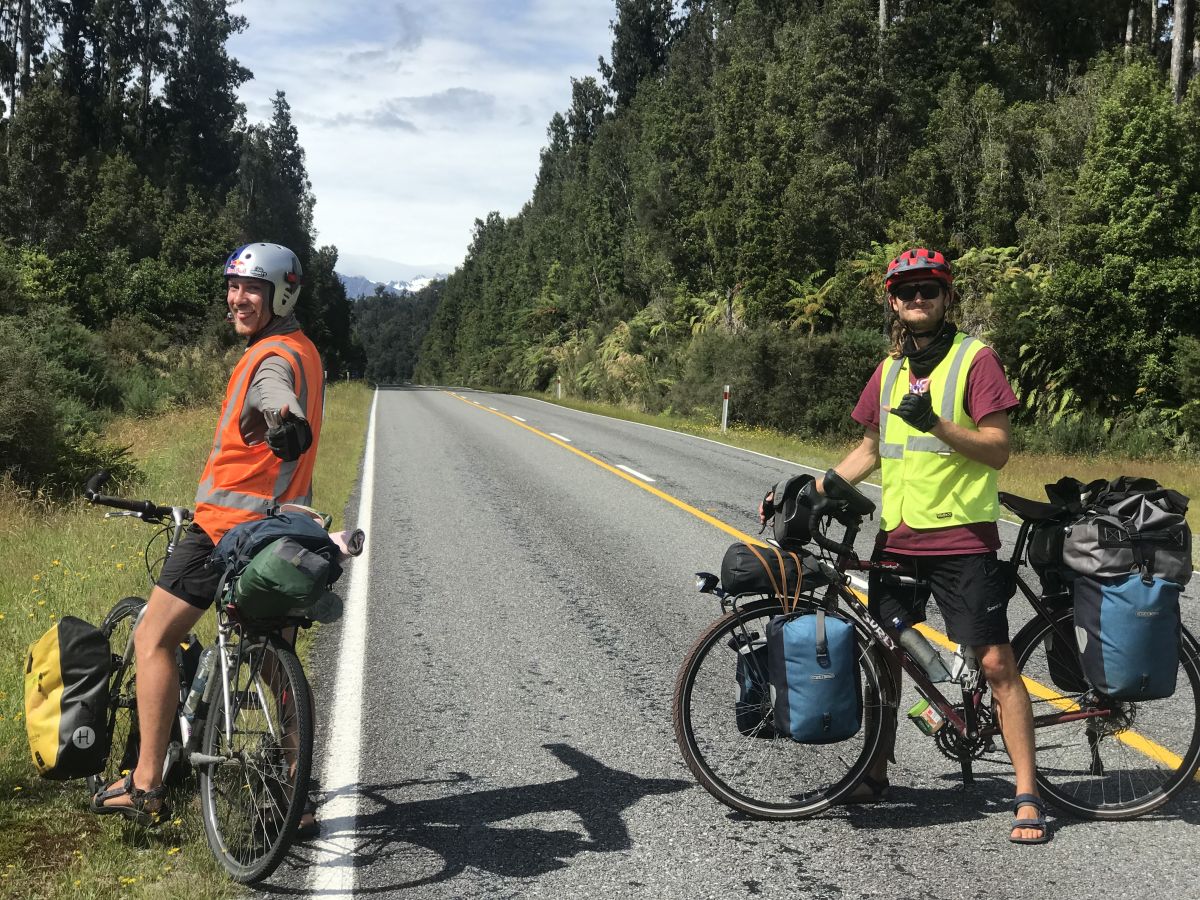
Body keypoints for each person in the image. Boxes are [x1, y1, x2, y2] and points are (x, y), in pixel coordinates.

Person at [761, 247, 1048, 844]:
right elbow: (869, 450)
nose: (918, 299)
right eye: (907, 291)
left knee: (996, 663)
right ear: (893, 302)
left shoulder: (975, 359)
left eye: (929, 289)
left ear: (946, 297)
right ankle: (875, 772)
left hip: (961, 534)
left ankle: (1027, 794)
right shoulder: (890, 370)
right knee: (884, 655)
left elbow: (998, 449)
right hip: (899, 535)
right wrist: (809, 489)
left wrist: (936, 423)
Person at [91, 243, 325, 837]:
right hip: (283, 532)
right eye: (233, 286)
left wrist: (287, 421)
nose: (237, 299)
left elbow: (275, 395)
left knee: (152, 637)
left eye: (252, 289)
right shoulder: (305, 350)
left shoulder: (273, 357)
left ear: (282, 295)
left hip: (223, 531)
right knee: (275, 663)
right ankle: (296, 798)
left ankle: (145, 784)